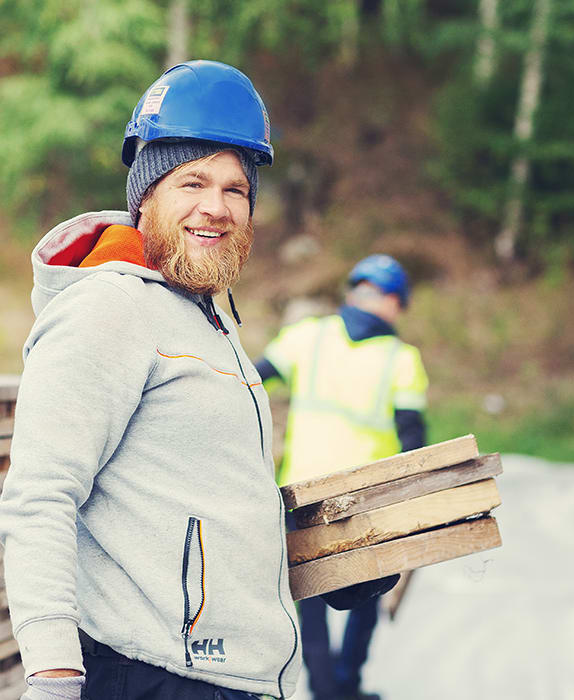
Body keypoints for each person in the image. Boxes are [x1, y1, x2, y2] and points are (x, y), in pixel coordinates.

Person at [0, 59, 396, 700]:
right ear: (146, 193)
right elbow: (39, 496)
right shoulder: (108, 309)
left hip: (235, 681)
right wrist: (51, 678)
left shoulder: (210, 321)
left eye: (235, 189)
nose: (216, 207)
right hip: (152, 677)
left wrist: (332, 560)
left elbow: (206, 511)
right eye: (193, 182)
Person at [256, 254, 429, 700]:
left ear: (354, 291)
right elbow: (413, 439)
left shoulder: (307, 337)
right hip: (369, 498)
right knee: (369, 591)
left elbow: (251, 382)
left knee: (309, 596)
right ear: (395, 303)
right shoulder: (402, 360)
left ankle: (325, 689)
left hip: (305, 491)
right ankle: (347, 685)